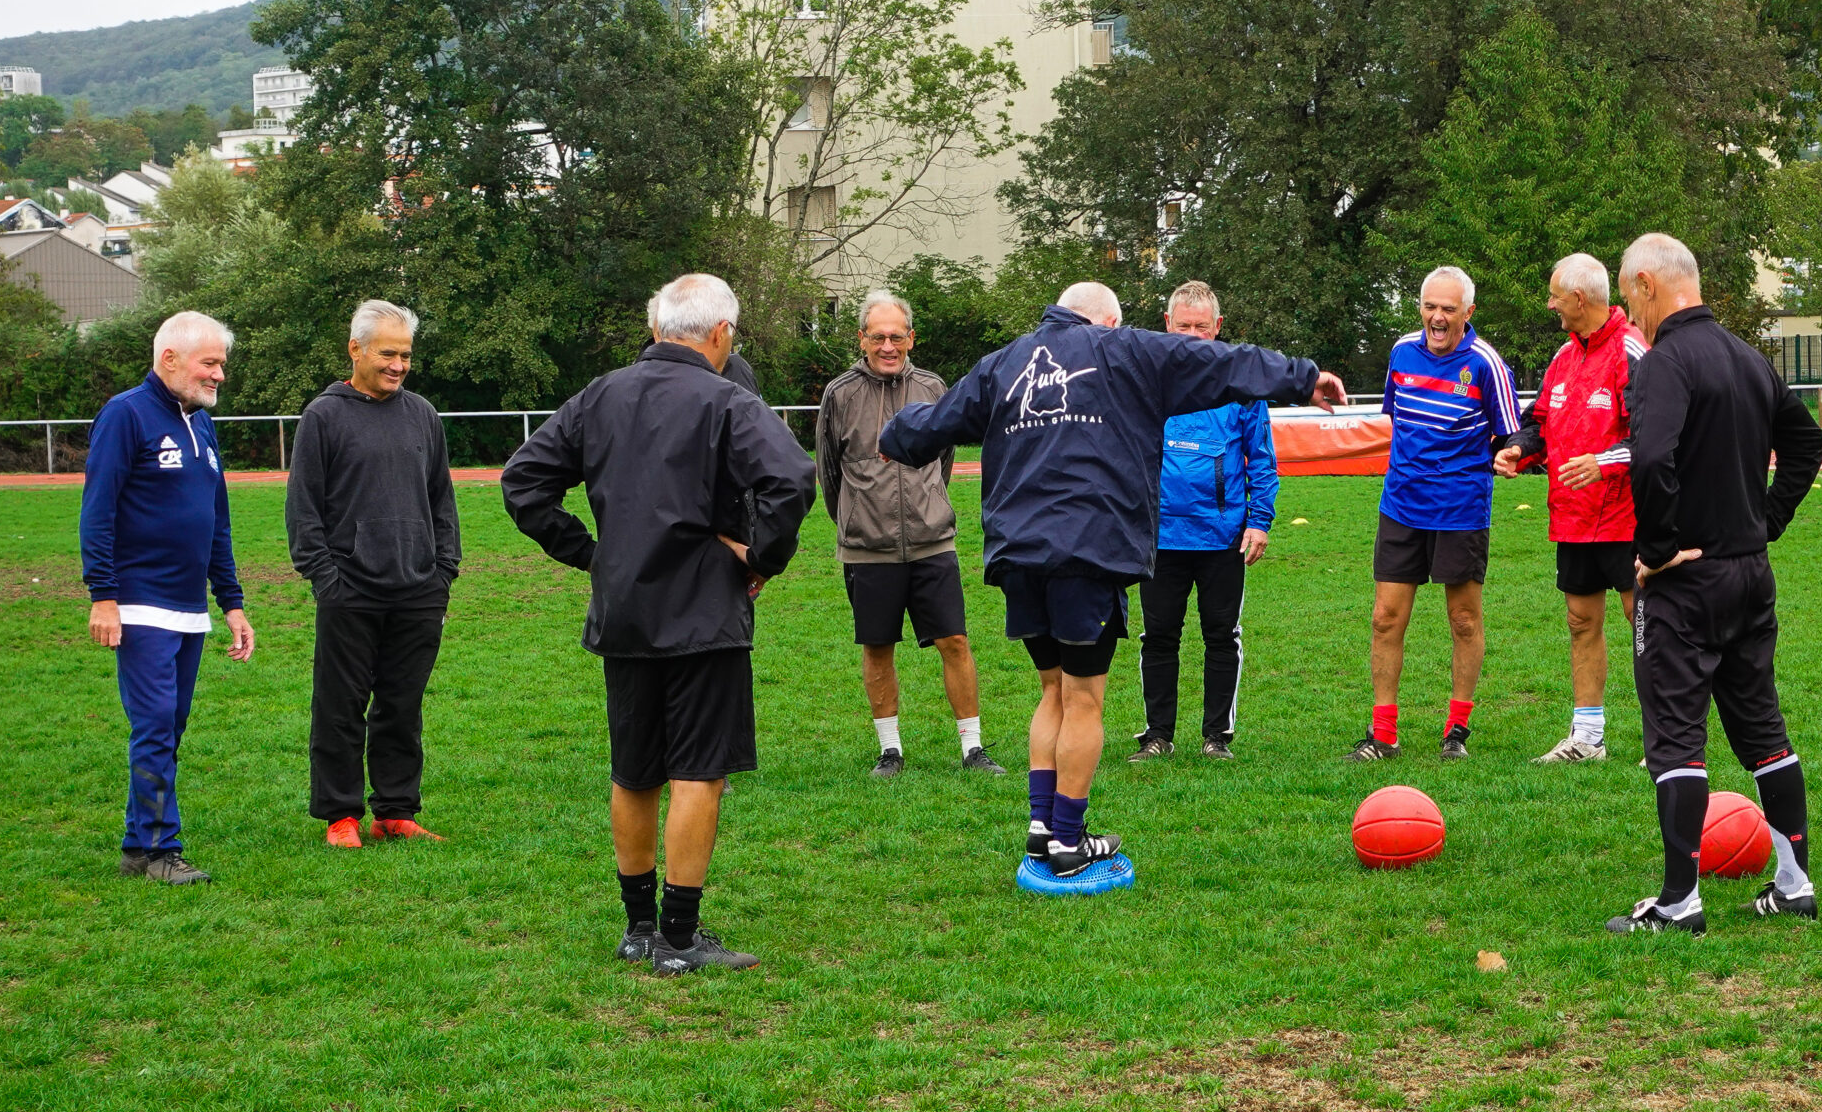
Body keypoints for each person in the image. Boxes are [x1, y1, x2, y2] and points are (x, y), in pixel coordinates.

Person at [880, 281, 1344, 879]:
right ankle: (1069, 842)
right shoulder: (1124, 349)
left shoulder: (1005, 363)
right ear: (1106, 320)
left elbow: (935, 422)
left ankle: (1041, 831)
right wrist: (1303, 377)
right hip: (1086, 551)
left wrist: (894, 438)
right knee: (1084, 697)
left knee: (1052, 690)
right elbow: (1220, 360)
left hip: (1018, 555)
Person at [502, 274, 815, 974]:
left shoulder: (600, 396)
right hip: (705, 611)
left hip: (626, 613)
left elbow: (523, 481)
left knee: (635, 771)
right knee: (698, 771)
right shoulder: (728, 399)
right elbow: (793, 478)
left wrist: (590, 554)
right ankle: (679, 936)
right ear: (721, 334)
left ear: (655, 328)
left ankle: (638, 927)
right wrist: (763, 555)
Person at [1603, 235, 1822, 935]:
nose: (1626, 311)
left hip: (1687, 581)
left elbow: (1651, 463)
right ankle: (1795, 884)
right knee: (1762, 726)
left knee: (1675, 735)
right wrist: (1766, 520)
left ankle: (1678, 901)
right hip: (1749, 574)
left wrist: (1658, 550)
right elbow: (1808, 443)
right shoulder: (1748, 357)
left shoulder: (1664, 363)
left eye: (1626, 294)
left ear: (1647, 283)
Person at [80, 310, 256, 885]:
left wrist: (230, 601)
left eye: (221, 365)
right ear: (170, 359)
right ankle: (159, 852)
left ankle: (138, 846)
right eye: (210, 363)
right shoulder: (125, 414)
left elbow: (215, 521)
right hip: (137, 603)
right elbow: (98, 509)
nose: (219, 375)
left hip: (188, 608)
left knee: (170, 725)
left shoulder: (201, 424)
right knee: (155, 722)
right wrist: (103, 595)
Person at [286, 299, 460, 849]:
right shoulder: (323, 416)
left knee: (402, 706)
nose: (399, 364)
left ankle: (395, 811)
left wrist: (443, 572)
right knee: (340, 707)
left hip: (418, 590)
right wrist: (327, 579)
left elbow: (442, 500)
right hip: (350, 589)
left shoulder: (423, 415)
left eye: (406, 355)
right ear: (355, 349)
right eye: (388, 352)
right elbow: (303, 510)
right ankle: (341, 815)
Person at [813, 289, 1002, 778]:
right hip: (867, 548)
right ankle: (890, 750)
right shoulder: (840, 395)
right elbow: (829, 473)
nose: (888, 345)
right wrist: (858, 519)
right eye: (878, 336)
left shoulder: (934, 389)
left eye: (897, 336)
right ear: (862, 339)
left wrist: (924, 509)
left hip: (931, 542)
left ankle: (973, 748)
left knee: (955, 642)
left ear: (911, 338)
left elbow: (941, 462)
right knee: (878, 647)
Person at [1349, 266, 1522, 762]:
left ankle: (1457, 730)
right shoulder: (1402, 353)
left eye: (1449, 309)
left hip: (1461, 508)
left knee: (1463, 619)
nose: (1438, 317)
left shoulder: (1487, 364)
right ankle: (1383, 735)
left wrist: (1509, 454)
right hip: (1402, 504)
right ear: (1420, 307)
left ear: (1468, 312)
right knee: (1385, 618)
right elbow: (1397, 416)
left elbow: (1510, 430)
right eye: (1430, 306)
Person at [1495, 253, 1646, 763]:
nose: (1550, 304)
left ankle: (1666, 737)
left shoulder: (1632, 351)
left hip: (1628, 517)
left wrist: (1604, 463)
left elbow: (1657, 438)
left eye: (1555, 295)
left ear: (1579, 299)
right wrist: (1521, 448)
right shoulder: (1562, 357)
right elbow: (1541, 421)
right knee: (1581, 624)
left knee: (1646, 624)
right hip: (1574, 519)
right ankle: (1587, 738)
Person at [1133, 281, 1279, 762]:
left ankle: (1217, 737)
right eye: (1183, 326)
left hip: (1223, 537)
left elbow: (1261, 459)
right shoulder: (1146, 380)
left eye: (1201, 327)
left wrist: (1259, 520)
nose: (1192, 336)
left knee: (1221, 636)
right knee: (1158, 637)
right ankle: (1158, 736)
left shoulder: (1241, 385)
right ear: (1167, 326)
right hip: (1159, 536)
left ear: (1217, 328)